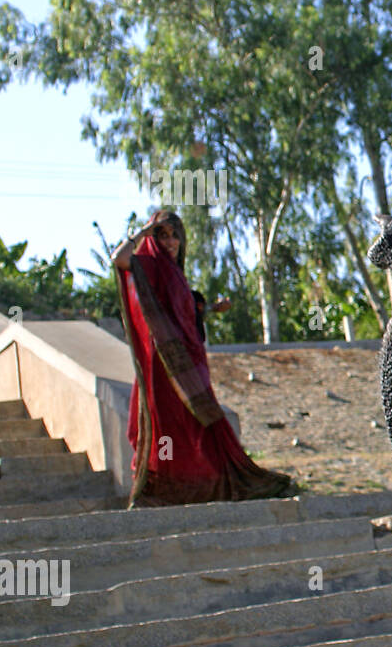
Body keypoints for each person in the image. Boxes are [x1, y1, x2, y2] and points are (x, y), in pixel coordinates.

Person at [112, 210, 293, 507]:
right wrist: (144, 231)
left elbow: (180, 316)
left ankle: (209, 481)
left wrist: (209, 310)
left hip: (191, 365)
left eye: (175, 236)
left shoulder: (175, 274)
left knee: (200, 424)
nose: (171, 242)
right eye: (163, 236)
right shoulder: (149, 264)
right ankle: (162, 486)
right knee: (167, 428)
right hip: (164, 367)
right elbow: (119, 259)